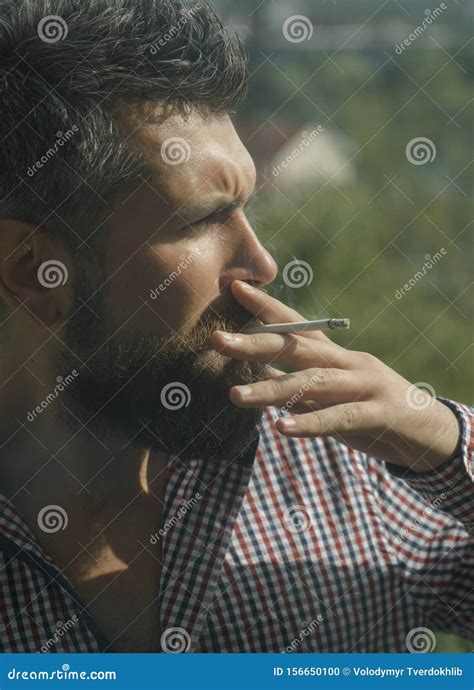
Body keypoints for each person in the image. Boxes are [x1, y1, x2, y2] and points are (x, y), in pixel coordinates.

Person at [0, 0, 472, 653]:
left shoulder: (349, 474)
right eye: (201, 219)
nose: (261, 264)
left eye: (249, 209)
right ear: (33, 272)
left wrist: (445, 441)